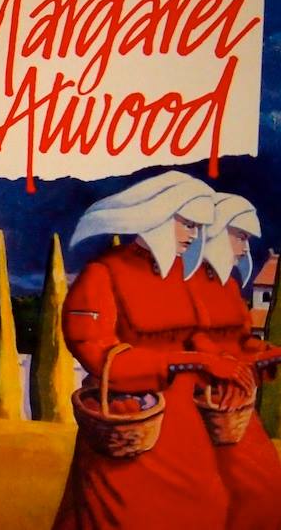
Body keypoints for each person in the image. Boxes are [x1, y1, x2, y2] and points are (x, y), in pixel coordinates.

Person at [53, 171, 257, 530]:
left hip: (184, 418)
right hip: (131, 415)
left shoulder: (183, 274)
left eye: (199, 227)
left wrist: (223, 365)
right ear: (158, 216)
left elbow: (197, 334)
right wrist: (190, 362)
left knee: (208, 504)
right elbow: (96, 353)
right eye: (188, 224)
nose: (194, 235)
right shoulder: (104, 272)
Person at [188, 192, 281, 530]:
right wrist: (224, 360)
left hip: (233, 405)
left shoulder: (228, 285)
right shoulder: (185, 282)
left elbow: (241, 339)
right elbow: (190, 337)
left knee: (268, 484)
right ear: (213, 234)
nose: (245, 248)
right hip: (201, 403)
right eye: (239, 236)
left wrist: (264, 351)